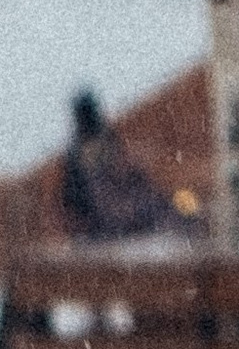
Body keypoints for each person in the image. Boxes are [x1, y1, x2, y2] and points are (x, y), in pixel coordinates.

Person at [56, 88, 173, 243]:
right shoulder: (81, 151)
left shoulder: (101, 141)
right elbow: (86, 192)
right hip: (102, 222)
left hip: (113, 220)